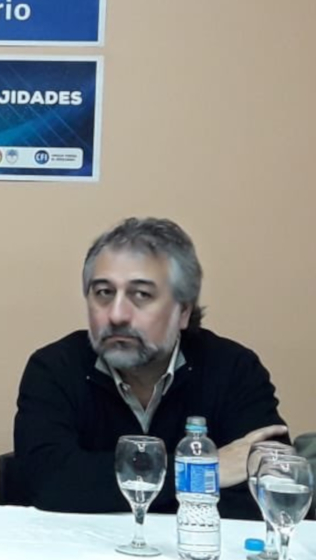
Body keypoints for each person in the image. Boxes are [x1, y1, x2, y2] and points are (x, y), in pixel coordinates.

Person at [14, 217, 287, 519]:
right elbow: (50, 482)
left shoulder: (234, 369)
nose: (117, 315)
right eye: (103, 292)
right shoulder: (54, 368)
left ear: (183, 311)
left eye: (141, 294)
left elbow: (270, 491)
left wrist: (101, 487)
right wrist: (203, 471)